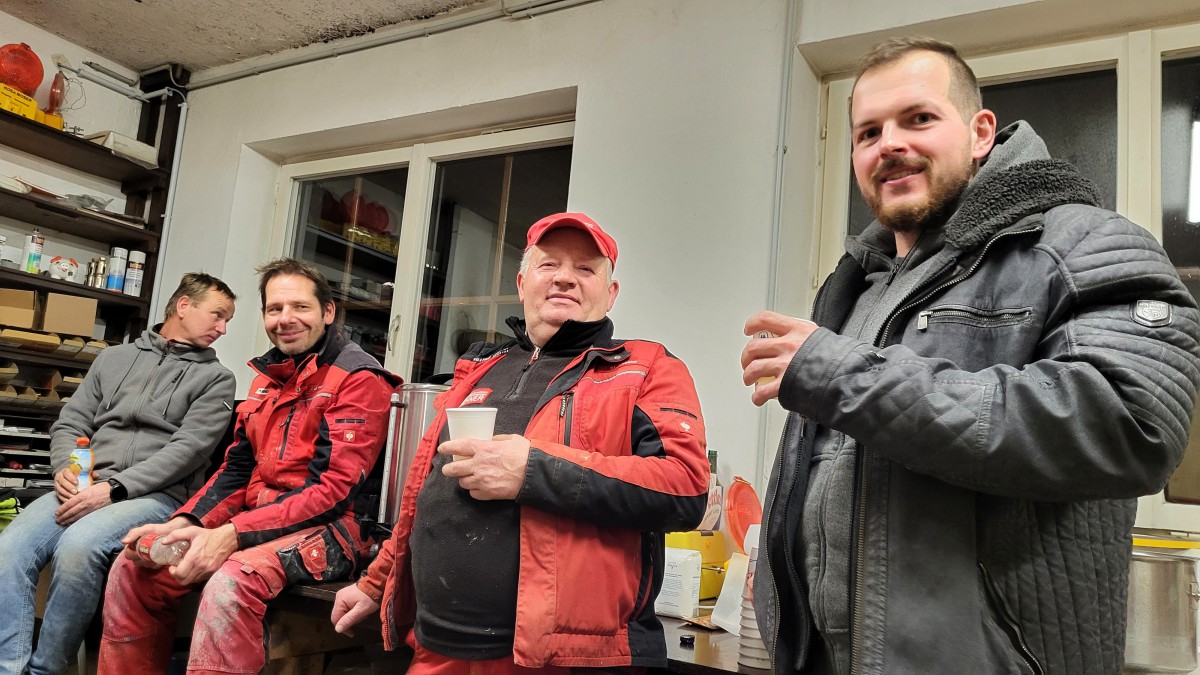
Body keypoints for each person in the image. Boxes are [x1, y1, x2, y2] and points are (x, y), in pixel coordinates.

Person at [740, 37, 1200, 675]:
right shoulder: (859, 286)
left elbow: (1130, 425)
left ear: (981, 132)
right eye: (868, 132)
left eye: (918, 118)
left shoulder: (1083, 244)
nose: (889, 144)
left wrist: (838, 372)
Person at [331, 212, 711, 672]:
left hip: (558, 658)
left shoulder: (647, 368)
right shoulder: (479, 369)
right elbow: (424, 495)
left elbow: (685, 489)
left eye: (585, 269)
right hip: (436, 646)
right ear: (522, 282)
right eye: (549, 264)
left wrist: (532, 470)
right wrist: (376, 583)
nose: (565, 278)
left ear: (610, 293)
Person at [97, 258, 398, 675]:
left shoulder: (359, 378)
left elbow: (330, 492)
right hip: (257, 520)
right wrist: (187, 523)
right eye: (274, 309)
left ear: (328, 312)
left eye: (300, 307)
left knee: (231, 581)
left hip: (335, 527)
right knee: (135, 565)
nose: (285, 319)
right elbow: (236, 470)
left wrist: (231, 535)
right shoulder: (267, 378)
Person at [0, 272, 237, 675]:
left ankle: (46, 670)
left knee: (78, 548)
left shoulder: (217, 379)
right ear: (183, 306)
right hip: (86, 485)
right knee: (9, 550)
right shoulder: (113, 359)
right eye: (218, 315)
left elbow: (188, 451)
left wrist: (115, 488)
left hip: (156, 495)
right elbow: (71, 422)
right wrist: (65, 468)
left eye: (227, 320)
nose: (223, 328)